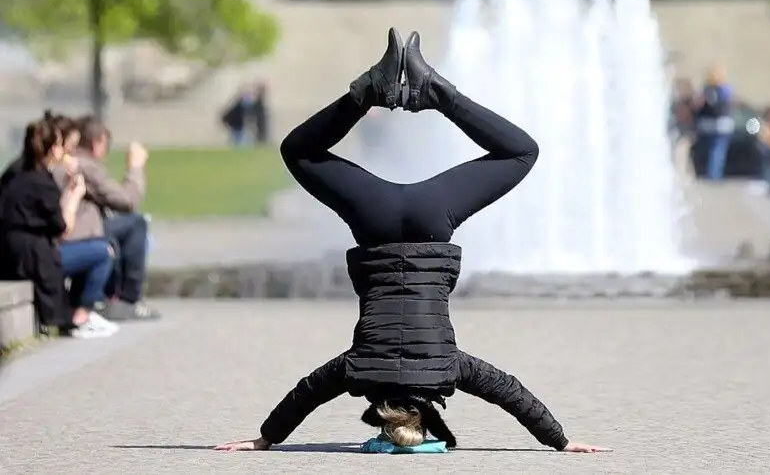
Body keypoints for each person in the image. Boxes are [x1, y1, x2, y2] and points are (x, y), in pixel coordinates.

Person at [216, 29, 609, 454]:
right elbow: (306, 393)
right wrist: (265, 439)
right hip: (376, 221)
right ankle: (369, 92)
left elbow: (511, 393)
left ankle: (436, 92)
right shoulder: (358, 368)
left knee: (520, 153)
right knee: (298, 152)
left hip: (432, 220)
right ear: (380, 413)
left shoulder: (449, 367)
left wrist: (560, 440)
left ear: (427, 414)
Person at [0, 115, 118, 338]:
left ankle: (77, 310)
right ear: (54, 149)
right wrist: (75, 195)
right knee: (104, 251)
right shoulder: (43, 183)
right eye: (64, 146)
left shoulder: (16, 172)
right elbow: (62, 228)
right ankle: (81, 314)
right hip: (34, 258)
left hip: (9, 254)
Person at [64, 117, 160, 321]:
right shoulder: (85, 165)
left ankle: (109, 296)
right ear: (97, 142)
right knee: (136, 223)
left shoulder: (73, 162)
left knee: (119, 228)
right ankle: (130, 300)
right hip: (77, 233)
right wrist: (135, 167)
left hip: (72, 231)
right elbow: (127, 201)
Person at [694, 64, 735, 180]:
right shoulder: (726, 89)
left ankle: (706, 172)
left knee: (707, 150)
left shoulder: (705, 89)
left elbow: (698, 105)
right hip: (723, 124)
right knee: (718, 150)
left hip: (706, 124)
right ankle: (714, 175)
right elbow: (731, 105)